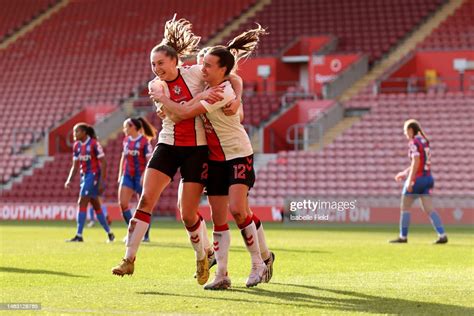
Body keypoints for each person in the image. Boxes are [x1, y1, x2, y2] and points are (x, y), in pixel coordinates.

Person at [111, 17, 242, 286]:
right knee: (146, 200)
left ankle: (203, 255)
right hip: (168, 145)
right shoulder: (155, 85)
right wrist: (174, 104)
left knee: (188, 213)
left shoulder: (195, 73)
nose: (157, 69)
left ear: (175, 62)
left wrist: (237, 97)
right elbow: (174, 110)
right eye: (153, 64)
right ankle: (128, 259)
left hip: (197, 150)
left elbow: (233, 77)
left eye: (161, 63)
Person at [150, 24, 273, 288]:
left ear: (222, 71)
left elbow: (184, 113)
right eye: (201, 64)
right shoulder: (207, 83)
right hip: (214, 158)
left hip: (238, 154)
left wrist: (165, 101)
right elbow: (235, 79)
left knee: (239, 210)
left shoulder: (219, 91)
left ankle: (258, 265)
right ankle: (223, 275)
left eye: (207, 65)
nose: (201, 68)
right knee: (220, 219)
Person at [391, 119, 448, 244]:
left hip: (418, 178)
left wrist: (410, 180)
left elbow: (416, 161)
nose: (405, 134)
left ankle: (403, 236)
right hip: (428, 178)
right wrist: (405, 173)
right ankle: (442, 234)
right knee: (429, 208)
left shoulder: (414, 142)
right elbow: (419, 162)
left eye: (406, 131)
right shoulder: (424, 141)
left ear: (411, 130)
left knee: (405, 206)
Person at [64, 123, 115, 243]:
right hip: (84, 177)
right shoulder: (76, 146)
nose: (74, 134)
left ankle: (79, 235)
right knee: (96, 205)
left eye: (77, 132)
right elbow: (75, 165)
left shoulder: (94, 144)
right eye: (74, 132)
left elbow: (104, 163)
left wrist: (101, 181)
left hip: (93, 176)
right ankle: (110, 233)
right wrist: (69, 179)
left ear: (84, 133)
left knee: (81, 202)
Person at [117, 117, 156, 242]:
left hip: (140, 176)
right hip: (127, 175)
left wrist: (145, 175)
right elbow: (123, 157)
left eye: (126, 127)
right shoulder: (126, 140)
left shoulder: (144, 141)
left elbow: (149, 160)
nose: (124, 129)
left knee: (144, 207)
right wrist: (120, 174)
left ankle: (145, 236)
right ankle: (133, 232)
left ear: (133, 127)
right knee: (123, 204)